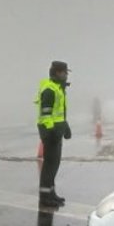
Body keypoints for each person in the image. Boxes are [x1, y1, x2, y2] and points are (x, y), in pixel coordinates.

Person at [36, 59, 71, 208]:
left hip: (57, 131)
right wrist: (50, 131)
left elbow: (59, 113)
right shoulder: (50, 89)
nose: (66, 76)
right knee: (49, 165)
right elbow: (46, 114)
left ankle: (51, 193)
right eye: (64, 73)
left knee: (54, 164)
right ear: (57, 73)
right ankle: (44, 197)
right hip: (50, 133)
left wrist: (65, 127)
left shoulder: (59, 88)